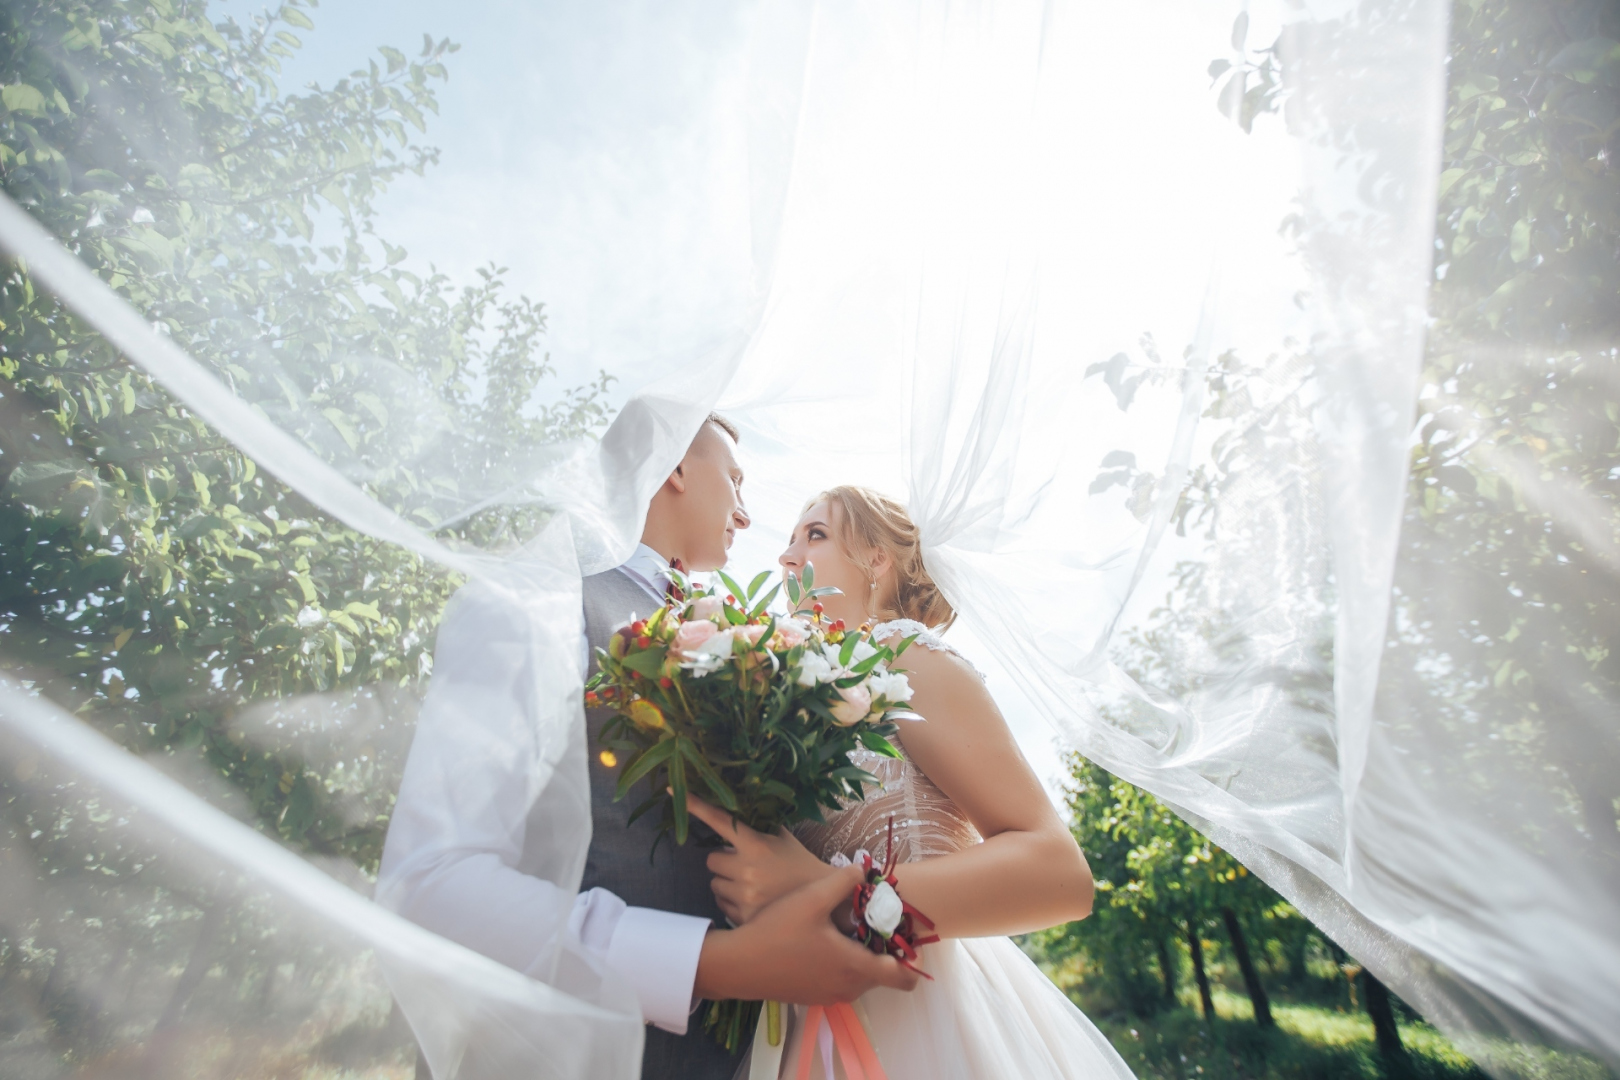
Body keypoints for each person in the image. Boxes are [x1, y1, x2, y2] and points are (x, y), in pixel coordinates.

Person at [376, 424, 919, 1080]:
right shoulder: (537, 603)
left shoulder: (749, 640)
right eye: (736, 480)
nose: (747, 513)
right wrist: (711, 965)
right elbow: (431, 881)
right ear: (676, 467)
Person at [685, 485, 1137, 1079]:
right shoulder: (787, 704)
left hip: (923, 1017)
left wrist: (840, 892)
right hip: (800, 1023)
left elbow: (1059, 873)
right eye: (790, 540)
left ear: (877, 560)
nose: (786, 559)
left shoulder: (903, 657)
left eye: (814, 535)